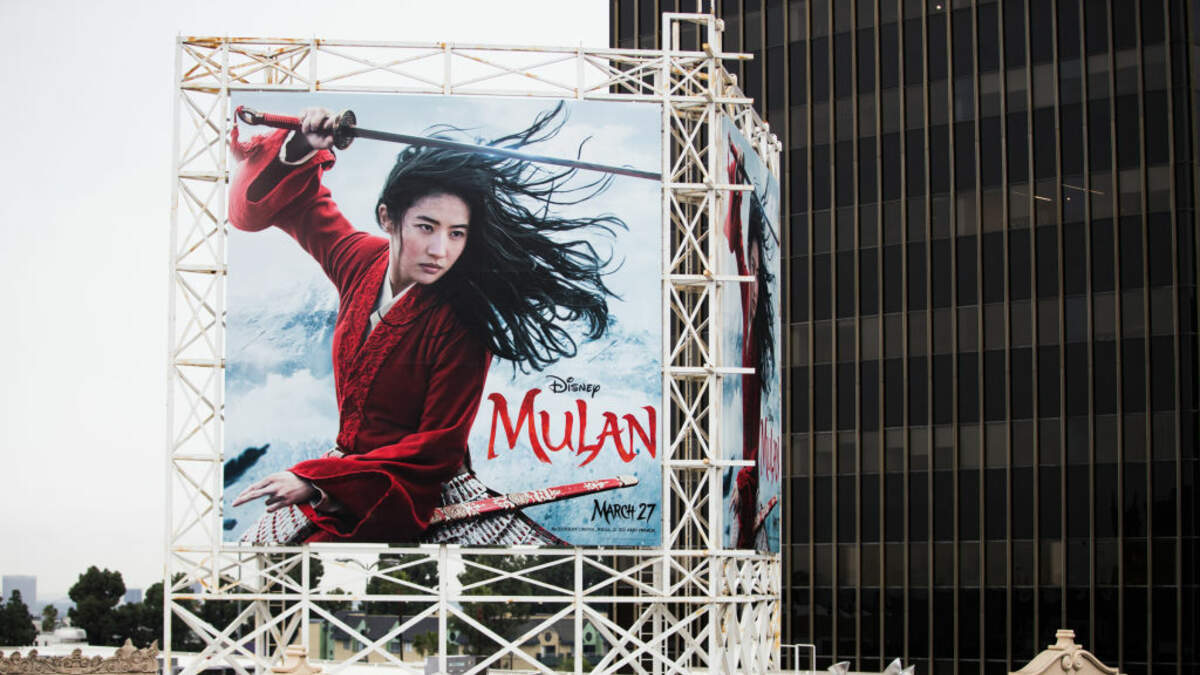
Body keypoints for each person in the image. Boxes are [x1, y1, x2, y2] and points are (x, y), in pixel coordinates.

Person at [228, 103, 622, 544]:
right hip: (341, 477)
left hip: (419, 491)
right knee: (256, 556)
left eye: (457, 233)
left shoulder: (464, 319)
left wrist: (320, 482)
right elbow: (291, 206)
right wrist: (303, 143)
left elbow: (438, 446)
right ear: (387, 218)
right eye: (426, 227)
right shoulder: (360, 260)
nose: (440, 250)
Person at [724, 139, 776, 550]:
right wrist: (735, 184)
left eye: (759, 272)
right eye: (752, 269)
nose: (753, 281)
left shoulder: (764, 341)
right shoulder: (744, 300)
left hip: (753, 475)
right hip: (744, 477)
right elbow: (736, 242)